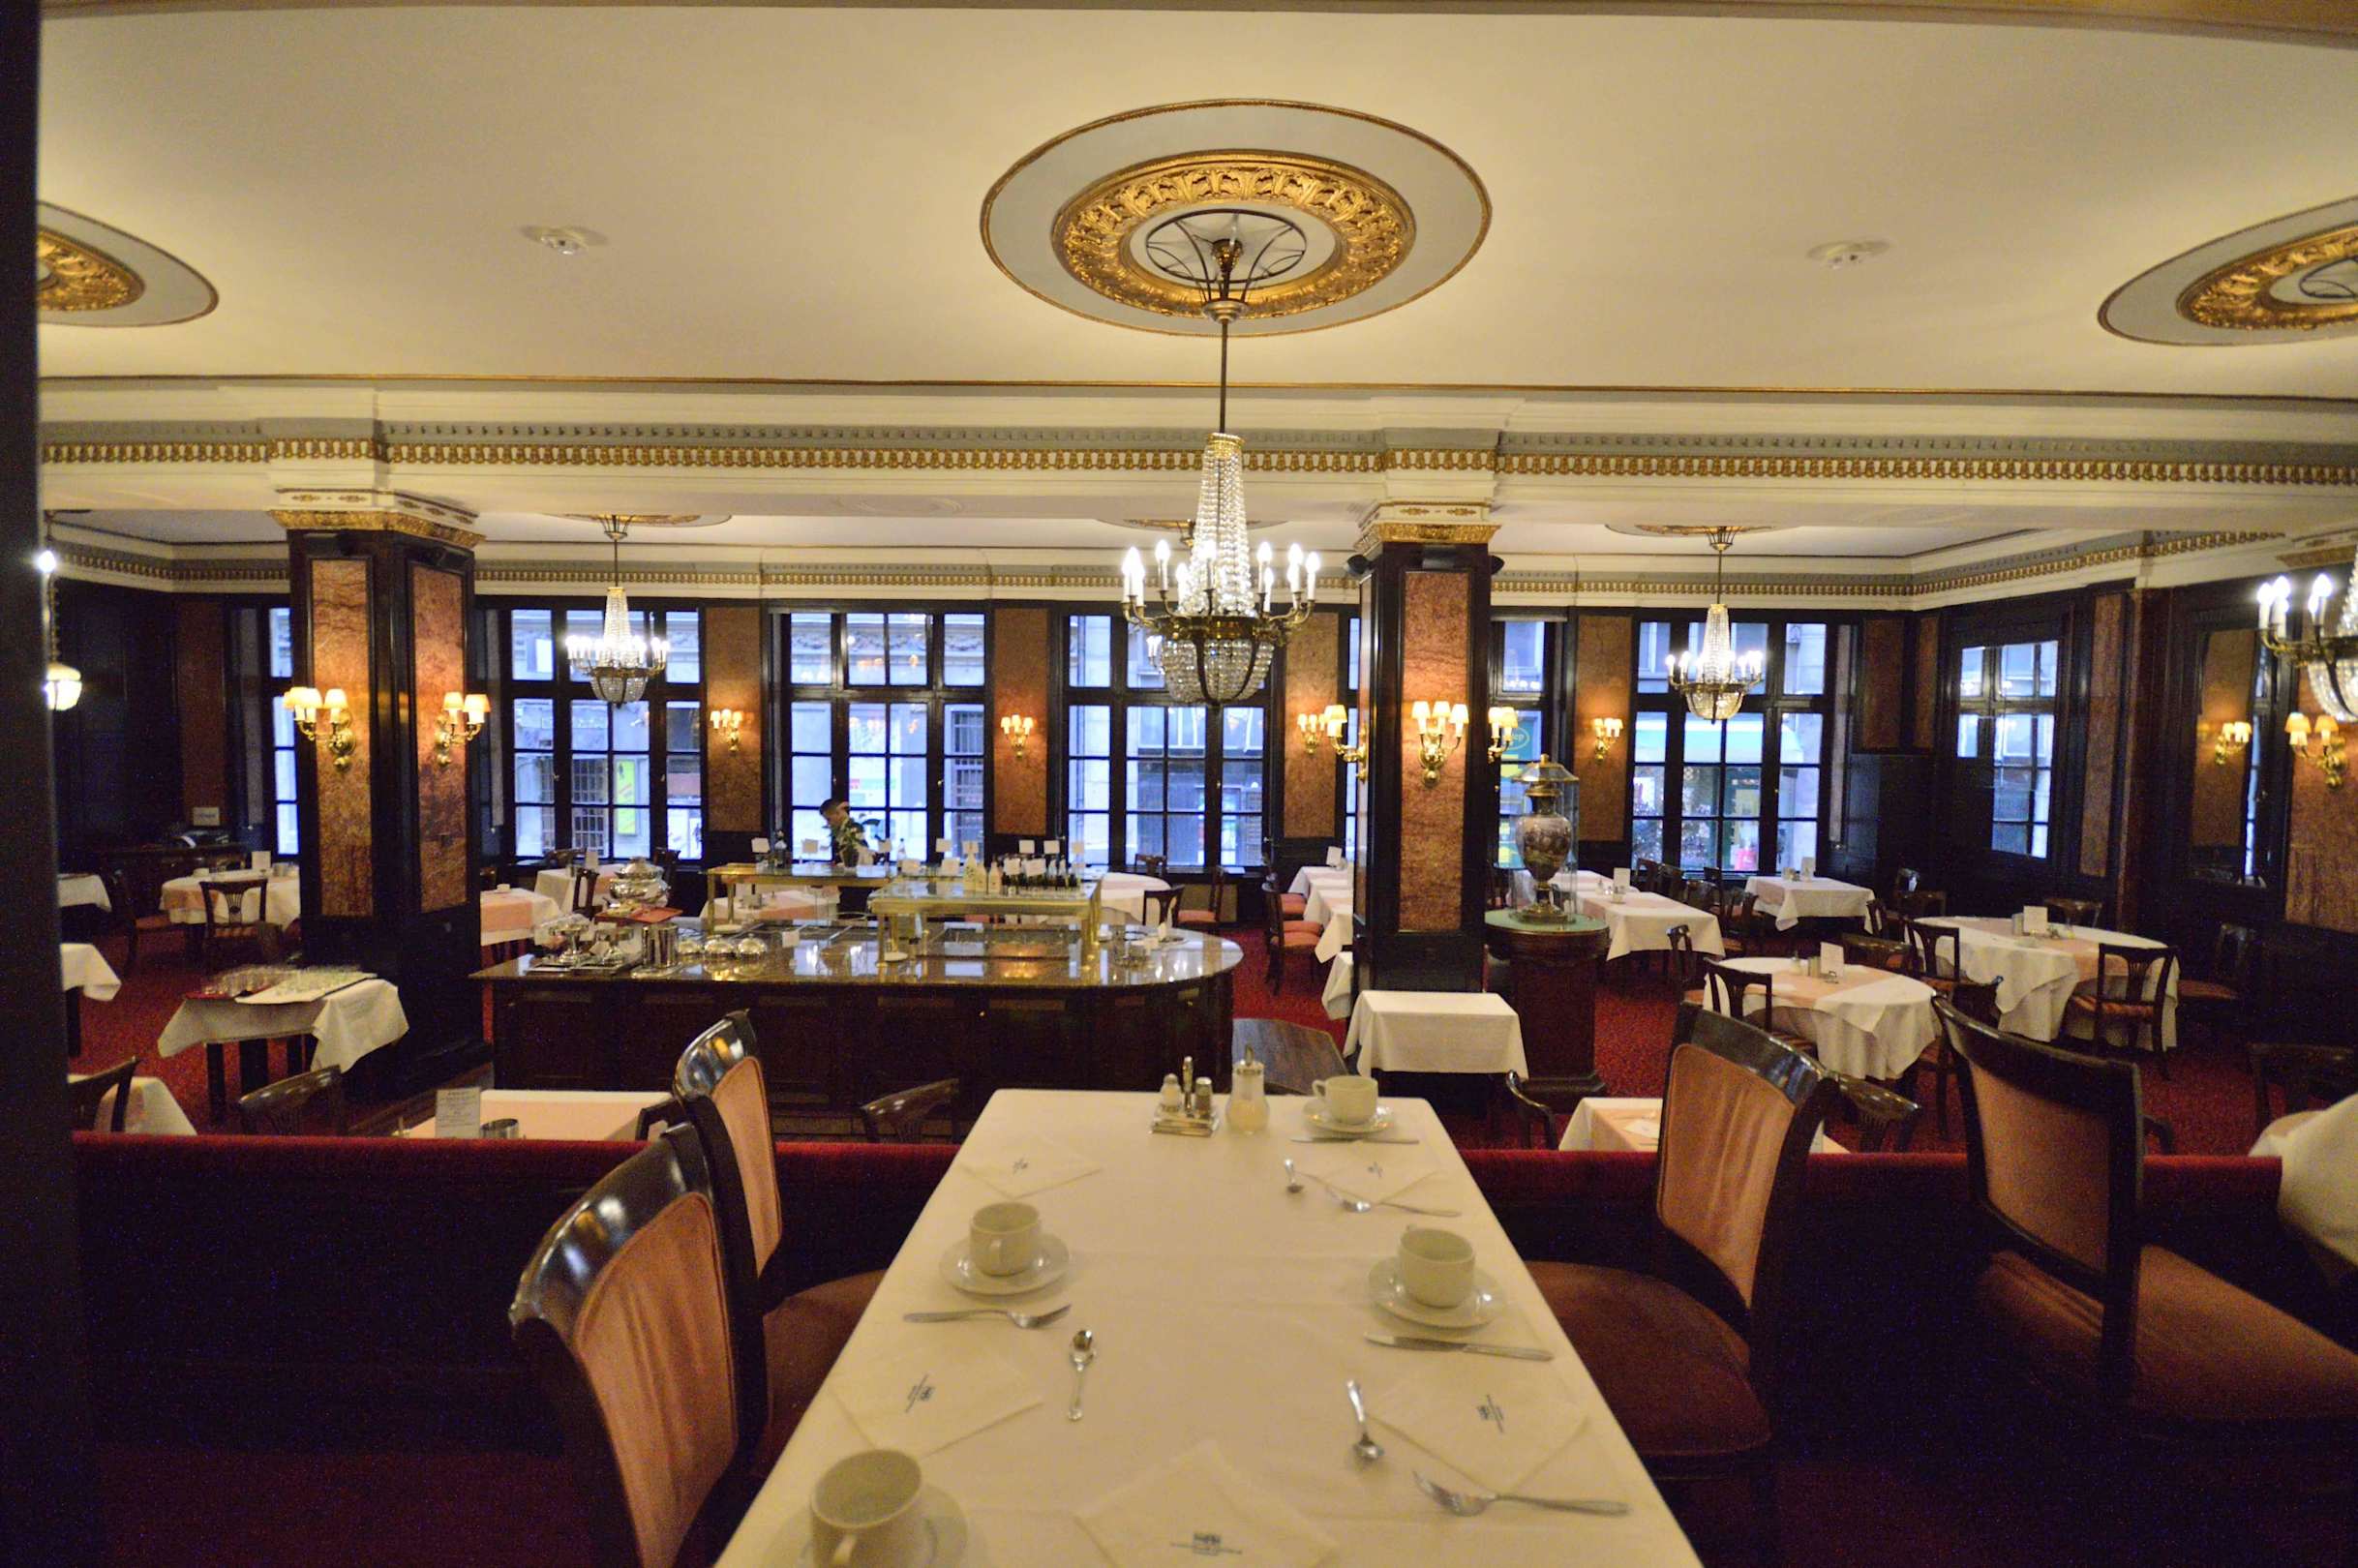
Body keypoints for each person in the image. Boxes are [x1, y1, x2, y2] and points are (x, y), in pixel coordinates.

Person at [820, 799, 872, 867]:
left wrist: (838, 866)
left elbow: (857, 861)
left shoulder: (853, 830)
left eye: (829, 819)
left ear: (838, 813)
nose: (828, 823)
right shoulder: (841, 830)